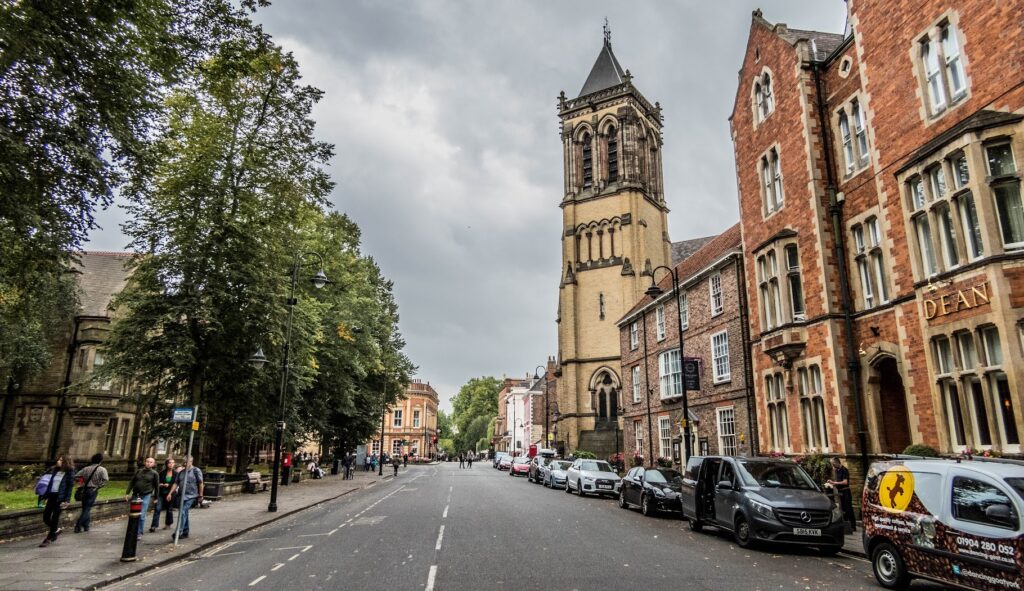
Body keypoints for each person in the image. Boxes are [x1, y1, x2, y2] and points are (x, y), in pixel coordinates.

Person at [38, 455, 75, 547]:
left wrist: (67, 500)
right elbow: (50, 484)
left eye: (61, 460)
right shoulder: (55, 470)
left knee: (55, 518)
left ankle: (48, 539)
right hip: (51, 496)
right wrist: (45, 495)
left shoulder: (69, 472)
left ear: (65, 462)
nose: (58, 461)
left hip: (60, 498)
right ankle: (56, 530)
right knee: (46, 517)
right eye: (58, 459)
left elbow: (69, 487)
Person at [166, 456, 203, 541]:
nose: (185, 464)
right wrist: (170, 493)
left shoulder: (196, 471)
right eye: (184, 462)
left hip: (192, 496)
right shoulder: (181, 472)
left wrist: (201, 495)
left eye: (186, 462)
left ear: (191, 462)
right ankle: (186, 532)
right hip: (181, 496)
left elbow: (201, 483)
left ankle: (179, 532)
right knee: (184, 513)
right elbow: (176, 483)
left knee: (182, 511)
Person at [125, 457, 159, 539]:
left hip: (146, 495)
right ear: (145, 462)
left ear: (153, 464)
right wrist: (127, 493)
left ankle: (139, 533)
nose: (148, 463)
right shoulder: (139, 471)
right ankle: (132, 531)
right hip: (135, 495)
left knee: (142, 515)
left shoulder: (154, 474)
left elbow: (156, 486)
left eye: (151, 462)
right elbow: (132, 482)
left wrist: (156, 497)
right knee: (133, 514)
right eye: (147, 461)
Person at [74, 453, 109, 533]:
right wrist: (97, 486)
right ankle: (78, 526)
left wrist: (81, 483)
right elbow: (105, 481)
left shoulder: (85, 469)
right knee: (87, 509)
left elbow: (76, 476)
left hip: (85, 490)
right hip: (93, 490)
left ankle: (86, 526)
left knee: (85, 508)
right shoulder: (102, 469)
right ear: (100, 461)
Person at [826, 457, 856, 532]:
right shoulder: (837, 471)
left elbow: (845, 482)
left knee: (848, 508)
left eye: (833, 464)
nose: (832, 466)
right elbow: (838, 481)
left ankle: (853, 525)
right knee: (843, 509)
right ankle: (846, 525)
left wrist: (834, 483)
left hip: (846, 492)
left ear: (836, 463)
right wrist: (831, 483)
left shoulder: (844, 470)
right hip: (841, 492)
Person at [152, 458, 176, 532]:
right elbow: (157, 483)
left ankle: (168, 524)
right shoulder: (162, 473)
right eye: (169, 463)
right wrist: (161, 484)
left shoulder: (176, 474)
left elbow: (176, 484)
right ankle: (154, 526)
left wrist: (168, 485)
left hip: (171, 493)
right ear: (166, 464)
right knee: (157, 509)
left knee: (169, 509)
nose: (171, 464)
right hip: (161, 493)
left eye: (173, 463)